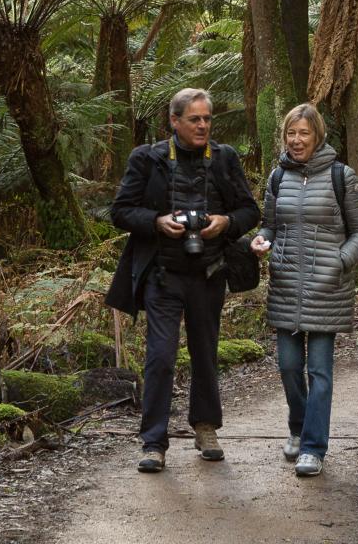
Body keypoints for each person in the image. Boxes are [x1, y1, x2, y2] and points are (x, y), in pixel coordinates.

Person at [106, 88, 260, 473]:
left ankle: (206, 427)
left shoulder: (224, 159)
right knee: (160, 357)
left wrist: (226, 223)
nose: (203, 125)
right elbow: (121, 211)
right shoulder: (148, 159)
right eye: (195, 119)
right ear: (174, 122)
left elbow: (249, 210)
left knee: (205, 354)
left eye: (207, 119)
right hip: (163, 274)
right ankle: (153, 442)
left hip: (209, 273)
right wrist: (157, 222)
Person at [251, 104, 358, 477]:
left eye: (303, 133)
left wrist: (340, 261)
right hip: (286, 284)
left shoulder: (341, 176)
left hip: (327, 287)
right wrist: (261, 240)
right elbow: (270, 225)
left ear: (317, 135)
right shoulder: (277, 178)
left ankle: (313, 447)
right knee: (289, 367)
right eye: (291, 133)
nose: (297, 140)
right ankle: (297, 427)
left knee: (319, 371)